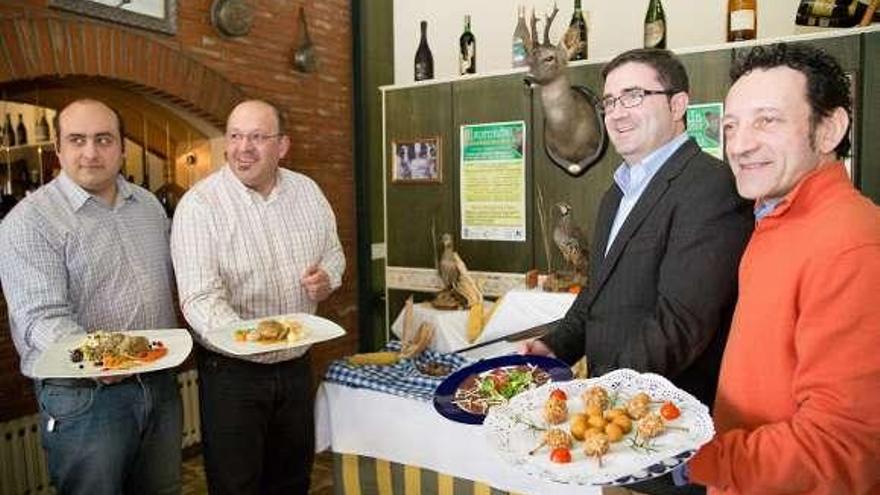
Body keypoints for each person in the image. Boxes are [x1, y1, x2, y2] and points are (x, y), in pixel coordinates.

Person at [520, 48, 754, 494]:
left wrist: (596, 399)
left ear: (678, 104)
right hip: (613, 446)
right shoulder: (617, 193)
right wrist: (554, 346)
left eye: (633, 96)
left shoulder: (710, 186)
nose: (616, 113)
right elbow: (597, 295)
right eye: (610, 101)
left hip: (663, 445)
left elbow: (682, 321)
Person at [684, 43, 880, 494]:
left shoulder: (852, 243)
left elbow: (842, 444)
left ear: (829, 129)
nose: (740, 144)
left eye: (767, 121)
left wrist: (698, 459)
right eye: (730, 127)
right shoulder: (774, 216)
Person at [0, 99, 182, 494]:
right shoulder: (30, 221)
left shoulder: (148, 206)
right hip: (85, 397)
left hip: (159, 382)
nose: (90, 152)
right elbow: (40, 318)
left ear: (121, 146)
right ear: (58, 149)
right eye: (77, 140)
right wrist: (104, 359)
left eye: (103, 139)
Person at [170, 99, 345, 495]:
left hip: (297, 366)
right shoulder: (201, 206)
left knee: (292, 479)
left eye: (256, 137)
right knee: (237, 485)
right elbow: (199, 298)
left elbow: (333, 254)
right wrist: (253, 338)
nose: (242, 147)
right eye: (234, 136)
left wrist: (326, 278)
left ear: (282, 146)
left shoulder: (308, 192)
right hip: (233, 376)